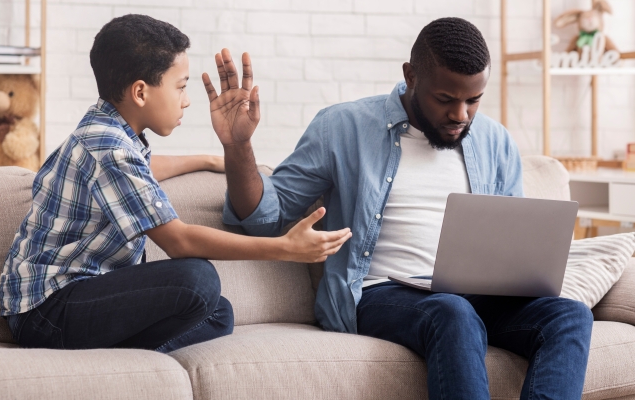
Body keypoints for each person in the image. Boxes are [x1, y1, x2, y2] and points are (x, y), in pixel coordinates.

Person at [213, 17, 593, 399]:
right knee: (452, 312)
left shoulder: (495, 141)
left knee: (569, 315)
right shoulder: (343, 126)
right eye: (446, 99)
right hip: (381, 293)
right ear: (411, 76)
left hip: (474, 297)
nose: (460, 115)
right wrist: (238, 146)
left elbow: (514, 241)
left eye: (473, 100)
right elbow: (263, 219)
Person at [0, 14, 352, 353]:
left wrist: (212, 158)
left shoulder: (107, 131)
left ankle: (120, 353)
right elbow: (179, 241)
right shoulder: (107, 146)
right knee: (198, 280)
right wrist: (285, 248)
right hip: (49, 310)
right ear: (141, 92)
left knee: (219, 313)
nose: (186, 100)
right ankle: (120, 354)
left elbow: (143, 167)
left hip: (68, 301)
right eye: (180, 87)